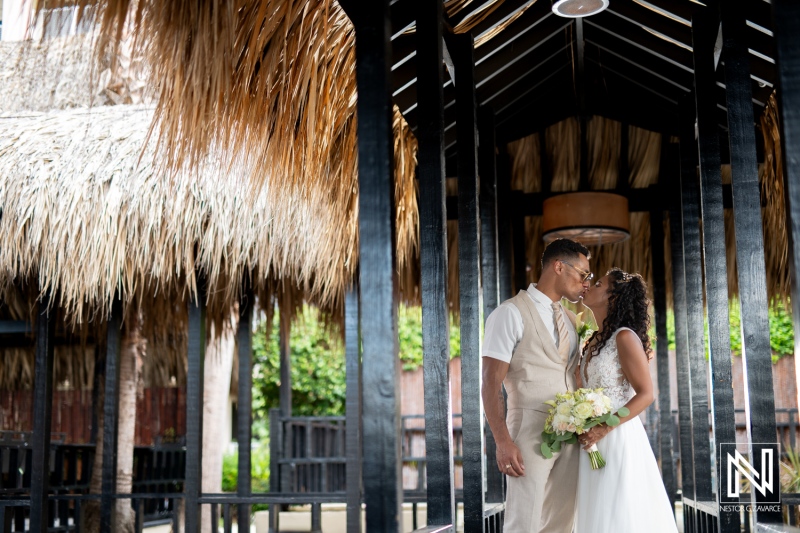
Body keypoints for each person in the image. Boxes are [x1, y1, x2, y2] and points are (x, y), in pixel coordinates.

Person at [481, 238, 592, 533]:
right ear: (559, 266)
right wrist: (503, 442)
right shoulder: (509, 313)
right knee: (524, 521)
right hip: (527, 431)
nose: (586, 283)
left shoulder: (570, 318)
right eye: (583, 274)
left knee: (561, 521)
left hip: (570, 433)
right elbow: (490, 384)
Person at [575, 268, 678, 532]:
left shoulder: (623, 336)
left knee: (619, 515)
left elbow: (646, 394)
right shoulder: (592, 341)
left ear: (613, 297)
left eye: (598, 283)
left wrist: (604, 427)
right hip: (591, 441)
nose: (589, 285)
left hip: (617, 436)